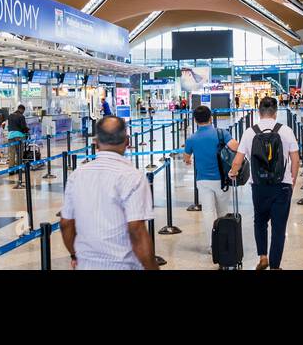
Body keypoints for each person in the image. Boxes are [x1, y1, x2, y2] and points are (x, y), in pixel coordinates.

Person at [60, 116, 158, 270]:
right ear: (127, 141)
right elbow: (137, 230)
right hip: (123, 265)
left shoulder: (77, 176)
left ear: (96, 142)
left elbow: (66, 224)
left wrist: (74, 254)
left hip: (86, 265)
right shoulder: (133, 177)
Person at [226, 96, 300, 270]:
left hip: (259, 186)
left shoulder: (250, 132)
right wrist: (292, 182)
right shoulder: (286, 131)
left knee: (259, 221)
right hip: (282, 185)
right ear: (275, 112)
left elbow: (238, 160)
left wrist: (233, 172)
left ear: (259, 112)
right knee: (279, 227)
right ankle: (275, 266)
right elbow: (295, 160)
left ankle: (263, 258)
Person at [182, 104, 240, 254]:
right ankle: (224, 244)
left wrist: (189, 160)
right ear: (211, 117)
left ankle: (212, 245)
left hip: (203, 180)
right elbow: (237, 147)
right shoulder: (222, 133)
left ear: (195, 120)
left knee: (208, 213)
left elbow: (186, 158)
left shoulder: (191, 139)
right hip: (222, 180)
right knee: (222, 212)